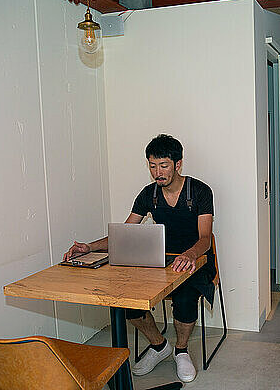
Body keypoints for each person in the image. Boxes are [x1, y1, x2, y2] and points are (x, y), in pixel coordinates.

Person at [64, 134, 215, 383]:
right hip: (159, 261)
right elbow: (125, 234)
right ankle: (159, 346)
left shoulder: (199, 191)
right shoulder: (148, 194)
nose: (158, 172)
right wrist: (88, 247)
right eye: (152, 166)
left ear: (178, 164)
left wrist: (189, 254)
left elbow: (205, 237)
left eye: (164, 165)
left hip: (195, 261)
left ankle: (181, 350)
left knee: (185, 297)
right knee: (127, 299)